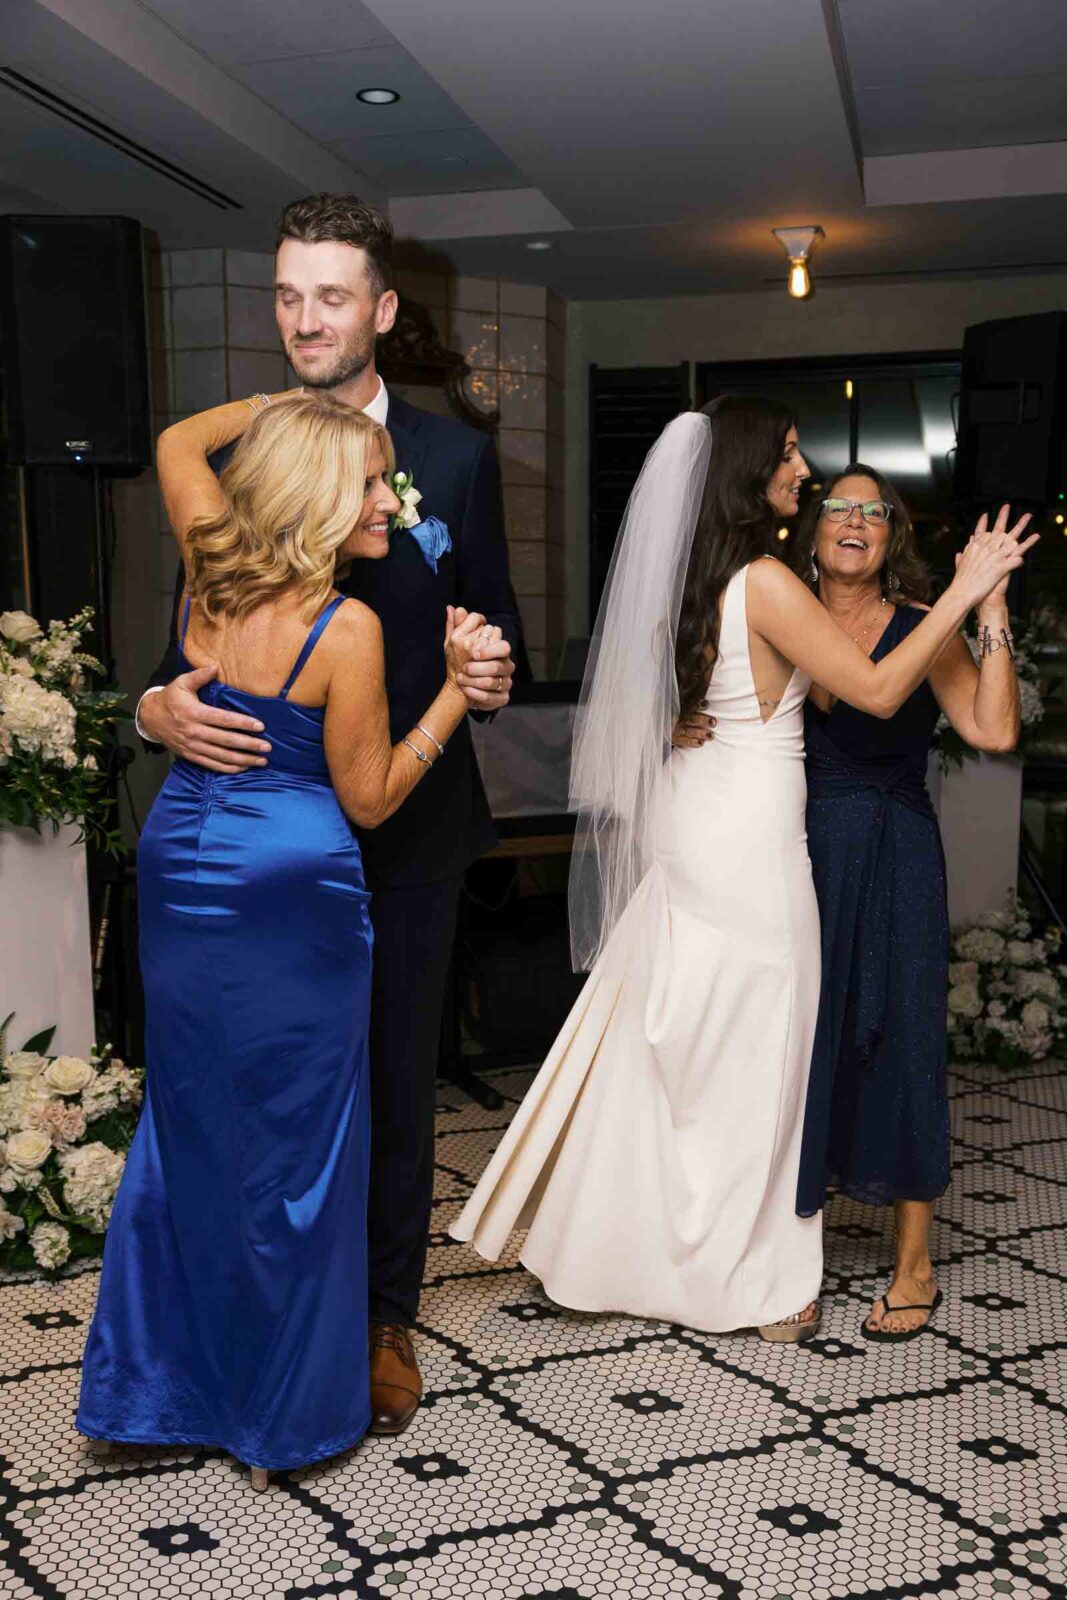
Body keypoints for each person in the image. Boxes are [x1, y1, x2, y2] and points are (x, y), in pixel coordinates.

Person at [450, 397, 1035, 1340]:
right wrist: (967, 593)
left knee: (688, 1034)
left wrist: (968, 608)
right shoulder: (766, 581)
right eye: (796, 461)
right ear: (756, 471)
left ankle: (642, 1242)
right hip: (754, 839)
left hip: (733, 825)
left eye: (866, 506)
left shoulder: (700, 576)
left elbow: (665, 694)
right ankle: (750, 1270)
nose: (807, 481)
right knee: (760, 1046)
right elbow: (872, 688)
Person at [135, 193, 524, 1435]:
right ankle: (252, 1308)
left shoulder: (454, 456)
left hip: (401, 834)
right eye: (288, 296)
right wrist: (155, 710)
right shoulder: (254, 464)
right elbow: (182, 644)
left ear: (382, 310)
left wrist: (490, 676)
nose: (306, 319)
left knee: (396, 1092)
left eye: (332, 297)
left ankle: (381, 1323)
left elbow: (494, 616)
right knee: (251, 1091)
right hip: (255, 841)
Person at [78, 391, 494, 1484]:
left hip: (181, 863)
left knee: (193, 1127)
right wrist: (450, 696)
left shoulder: (208, 574)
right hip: (292, 892)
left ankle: (158, 1392)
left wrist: (289, 406)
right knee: (300, 1150)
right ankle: (281, 1414)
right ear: (315, 489)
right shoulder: (341, 626)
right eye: (368, 482)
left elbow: (173, 441)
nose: (388, 502)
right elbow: (370, 797)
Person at [792, 467, 1026, 1340]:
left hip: (893, 851)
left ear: (892, 537)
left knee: (904, 1038)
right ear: (812, 529)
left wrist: (987, 612)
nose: (854, 521)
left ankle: (913, 1263)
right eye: (837, 507)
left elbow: (992, 730)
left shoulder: (921, 626)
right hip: (794, 854)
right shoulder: (775, 608)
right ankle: (787, 1256)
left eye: (873, 512)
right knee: (799, 1044)